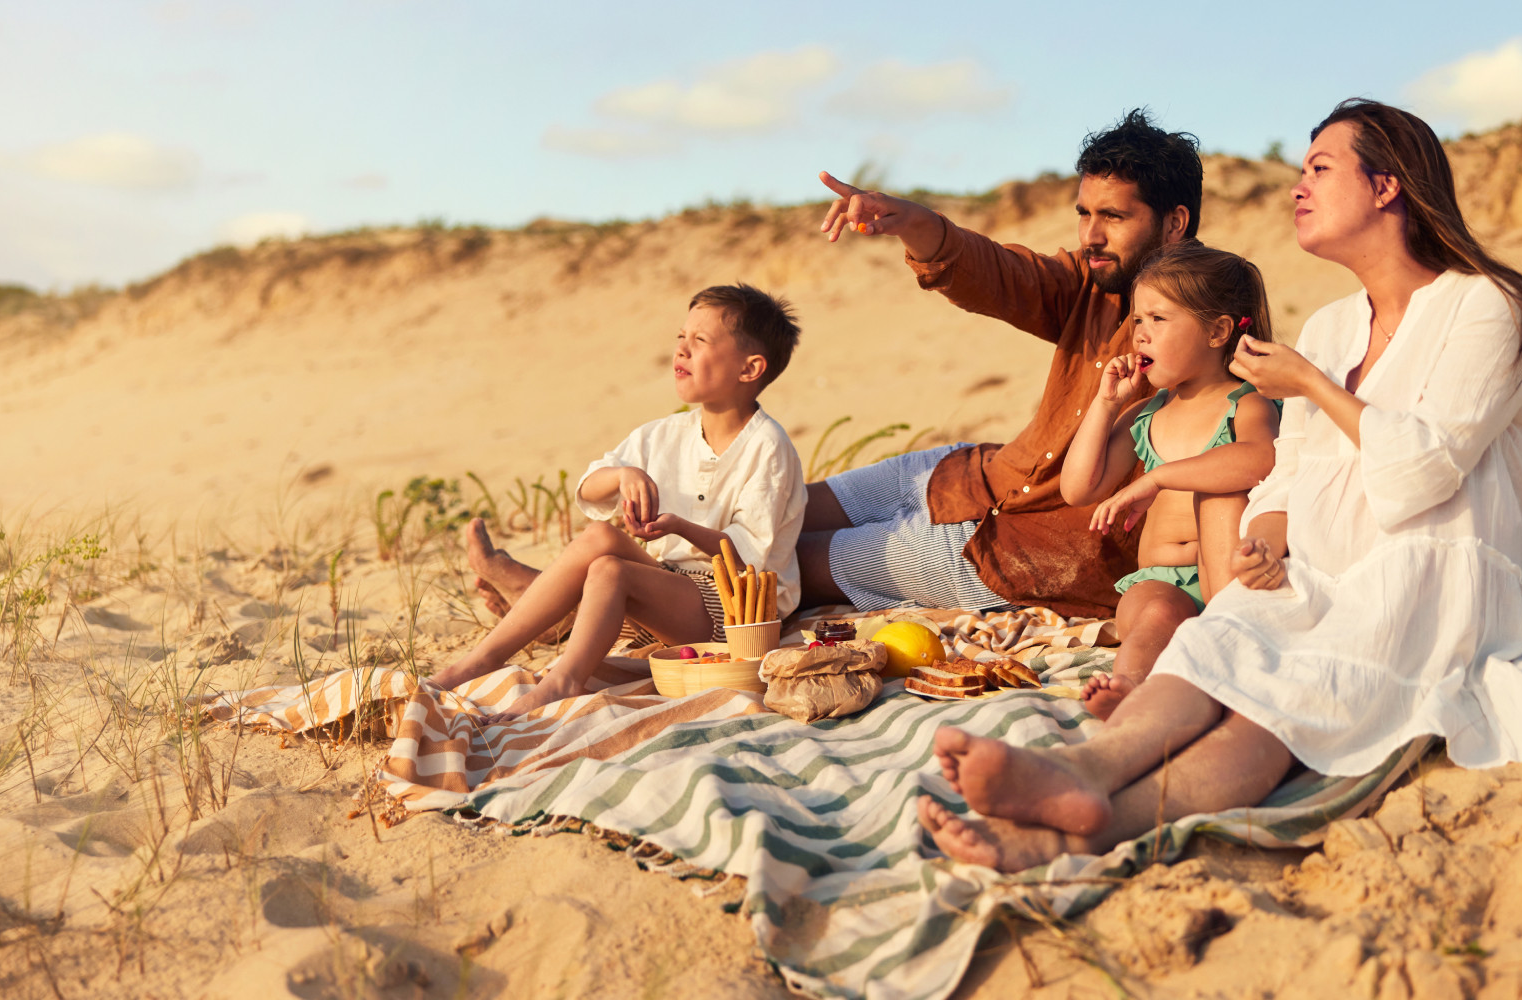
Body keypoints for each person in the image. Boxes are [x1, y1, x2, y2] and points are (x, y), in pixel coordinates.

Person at [917, 99, 1522, 871]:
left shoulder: (1487, 305)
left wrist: (1310, 384)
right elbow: (1291, 470)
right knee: (1212, 643)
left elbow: (1424, 472)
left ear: (1387, 187)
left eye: (1320, 169)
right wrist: (1266, 537)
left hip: (1429, 577)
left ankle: (1096, 826)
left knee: (1271, 708)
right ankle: (1081, 773)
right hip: (1318, 574)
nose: (1299, 187)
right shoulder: (1332, 325)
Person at [801, 110, 1237, 619]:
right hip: (981, 474)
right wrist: (917, 225)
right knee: (781, 509)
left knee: (791, 562)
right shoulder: (1089, 279)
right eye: (1084, 214)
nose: (1090, 235)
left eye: (1113, 217)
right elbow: (1001, 275)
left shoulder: (1206, 326)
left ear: (1174, 223)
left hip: (1035, 557)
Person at [428, 285, 806, 722]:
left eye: (699, 342)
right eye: (680, 338)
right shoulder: (663, 434)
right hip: (676, 585)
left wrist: (677, 526)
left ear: (750, 368)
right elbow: (589, 490)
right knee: (599, 536)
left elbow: (746, 558)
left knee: (611, 571)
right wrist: (623, 476)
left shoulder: (768, 446)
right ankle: (481, 660)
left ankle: (563, 681)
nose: (681, 350)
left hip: (739, 609)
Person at [1062, 242, 1280, 720]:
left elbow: (1259, 459)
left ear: (1217, 331)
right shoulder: (1147, 414)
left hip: (1228, 579)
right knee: (1158, 617)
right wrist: (1106, 404)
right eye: (1138, 320)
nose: (1141, 335)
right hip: (1159, 582)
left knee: (1201, 636)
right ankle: (1127, 687)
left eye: (1158, 320)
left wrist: (1157, 478)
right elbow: (1079, 488)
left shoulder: (1247, 404)